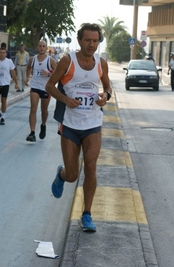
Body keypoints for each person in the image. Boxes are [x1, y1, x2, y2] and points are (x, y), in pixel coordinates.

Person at [45, 23, 112, 232]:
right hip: (71, 124)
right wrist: (65, 99)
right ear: (80, 40)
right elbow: (49, 86)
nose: (91, 44)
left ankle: (87, 214)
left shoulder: (101, 63)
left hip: (93, 123)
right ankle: (62, 175)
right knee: (73, 174)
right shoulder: (68, 60)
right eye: (87, 40)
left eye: (95, 41)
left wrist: (105, 96)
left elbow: (108, 87)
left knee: (90, 165)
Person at [25, 40, 57, 142]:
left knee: (44, 110)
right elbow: (29, 67)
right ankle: (32, 132)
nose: (42, 48)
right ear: (37, 47)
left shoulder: (50, 60)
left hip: (46, 88)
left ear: (46, 48)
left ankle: (43, 125)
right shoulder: (32, 59)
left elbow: (58, 73)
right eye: (40, 46)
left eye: (43, 46)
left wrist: (48, 74)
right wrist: (27, 77)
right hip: (35, 86)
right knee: (33, 109)